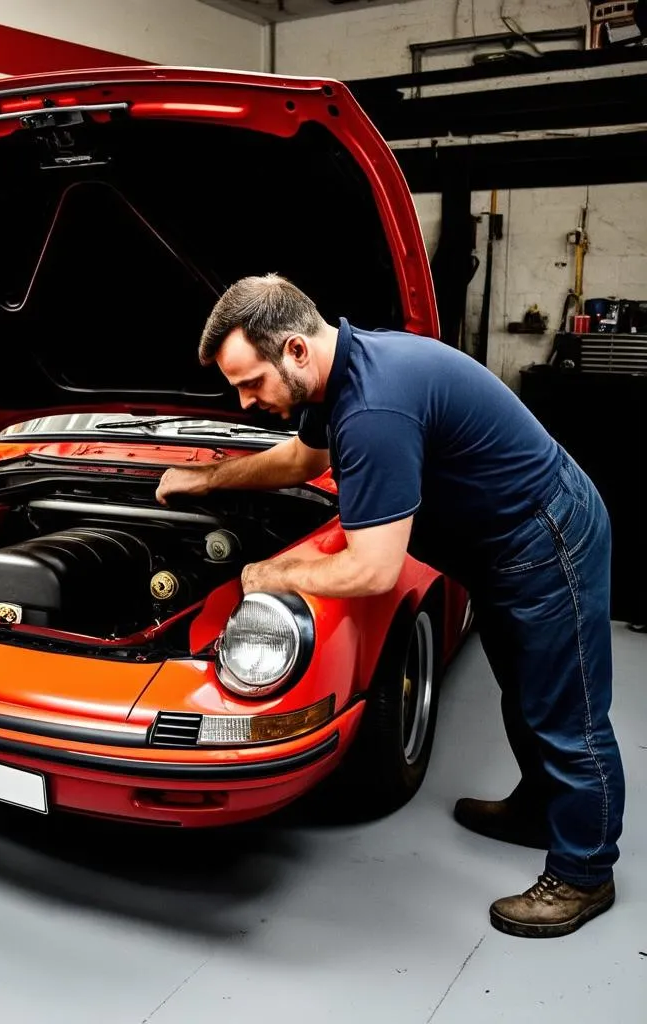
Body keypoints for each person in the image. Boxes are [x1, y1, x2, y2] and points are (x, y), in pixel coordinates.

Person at [156, 273, 624, 938]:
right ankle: (540, 809)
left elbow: (374, 570)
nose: (246, 399)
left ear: (293, 350)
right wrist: (206, 479)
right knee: (524, 689)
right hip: (499, 541)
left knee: (565, 709)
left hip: (546, 539)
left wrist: (270, 572)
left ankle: (583, 874)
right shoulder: (335, 372)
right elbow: (298, 461)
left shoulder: (375, 406)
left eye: (250, 381)